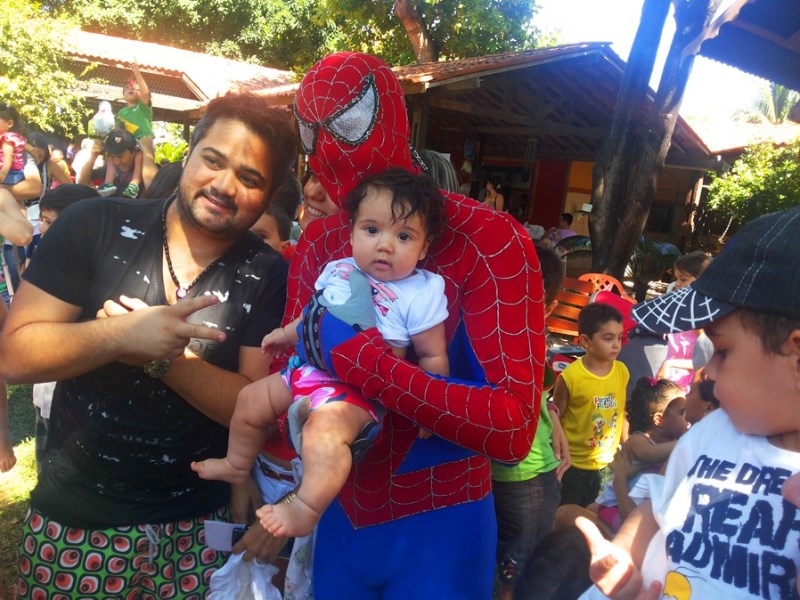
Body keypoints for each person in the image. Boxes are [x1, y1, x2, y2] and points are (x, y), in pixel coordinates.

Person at [236, 51, 545, 600]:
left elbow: (514, 429)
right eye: (310, 131)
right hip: (341, 510)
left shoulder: (486, 238)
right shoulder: (322, 241)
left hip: (442, 519)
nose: (326, 148)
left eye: (347, 123)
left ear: (390, 121)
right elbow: (289, 389)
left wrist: (364, 364)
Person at [0, 92, 296, 598]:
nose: (224, 185)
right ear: (189, 152)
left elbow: (253, 408)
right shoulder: (94, 224)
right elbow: (15, 355)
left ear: (268, 196)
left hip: (198, 528)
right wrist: (118, 335)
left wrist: (163, 358)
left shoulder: (268, 273)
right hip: (78, 520)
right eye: (213, 160)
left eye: (249, 178)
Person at [194, 167, 450, 540]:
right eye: (372, 230)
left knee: (323, 434)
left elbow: (432, 355)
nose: (385, 245)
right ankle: (237, 463)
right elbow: (315, 313)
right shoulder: (340, 270)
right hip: (306, 370)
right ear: (352, 232)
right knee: (249, 400)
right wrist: (285, 334)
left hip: (357, 392)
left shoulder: (420, 292)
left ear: (424, 248)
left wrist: (431, 409)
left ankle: (306, 507)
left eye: (404, 236)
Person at [579, 206, 800, 599]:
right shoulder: (712, 432)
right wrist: (625, 556)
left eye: (723, 351)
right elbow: (659, 508)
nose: (708, 371)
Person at [491, 244, 571, 600]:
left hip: (528, 476)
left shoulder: (527, 339)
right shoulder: (494, 329)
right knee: (510, 566)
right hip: (505, 473)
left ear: (548, 308)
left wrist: (552, 416)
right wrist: (553, 414)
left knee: (521, 574)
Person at [31, 184, 100, 472]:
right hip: (47, 392)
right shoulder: (46, 265)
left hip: (78, 399)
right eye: (42, 220)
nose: (42, 230)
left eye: (49, 222)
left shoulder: (91, 275)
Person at [554, 303, 629, 508]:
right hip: (573, 465)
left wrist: (626, 446)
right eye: (608, 338)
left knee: (598, 513)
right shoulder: (570, 377)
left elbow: (621, 411)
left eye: (619, 337)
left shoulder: (622, 371)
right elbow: (556, 417)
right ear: (586, 341)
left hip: (608, 464)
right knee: (567, 513)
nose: (616, 345)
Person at [591, 377, 687, 533]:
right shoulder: (638, 439)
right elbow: (650, 454)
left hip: (640, 506)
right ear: (659, 419)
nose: (687, 418)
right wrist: (687, 440)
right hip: (613, 506)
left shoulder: (674, 440)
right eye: (682, 412)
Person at [116, 64, 157, 187]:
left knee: (141, 158)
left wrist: (137, 74)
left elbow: (145, 93)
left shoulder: (142, 107)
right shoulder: (121, 112)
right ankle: (109, 183)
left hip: (144, 142)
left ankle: (137, 184)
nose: (130, 89)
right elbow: (117, 130)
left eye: (135, 87)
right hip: (130, 145)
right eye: (127, 87)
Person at [95, 129, 144, 198]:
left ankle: (134, 185)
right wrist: (93, 155)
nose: (116, 162)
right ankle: (108, 184)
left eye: (120, 156)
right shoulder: (108, 167)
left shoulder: (146, 171)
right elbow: (83, 183)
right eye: (112, 156)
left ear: (134, 152)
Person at [0, 102, 27, 187]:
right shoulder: (16, 137)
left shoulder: (6, 138)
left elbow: (8, 157)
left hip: (9, 173)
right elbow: (27, 147)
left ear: (9, 123)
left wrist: (3, 173)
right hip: (17, 173)